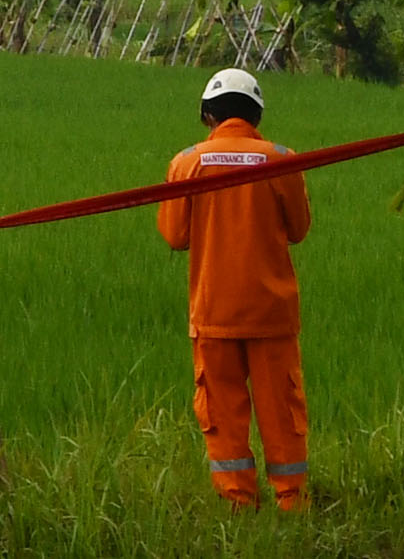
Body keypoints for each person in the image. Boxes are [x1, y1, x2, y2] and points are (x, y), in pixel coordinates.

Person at [163, 68, 312, 512]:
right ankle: (291, 502)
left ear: (208, 114)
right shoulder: (283, 159)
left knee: (223, 413)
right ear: (256, 114)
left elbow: (175, 236)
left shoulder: (186, 162)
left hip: (213, 312)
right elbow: (299, 230)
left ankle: (237, 504)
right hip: (273, 313)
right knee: (282, 413)